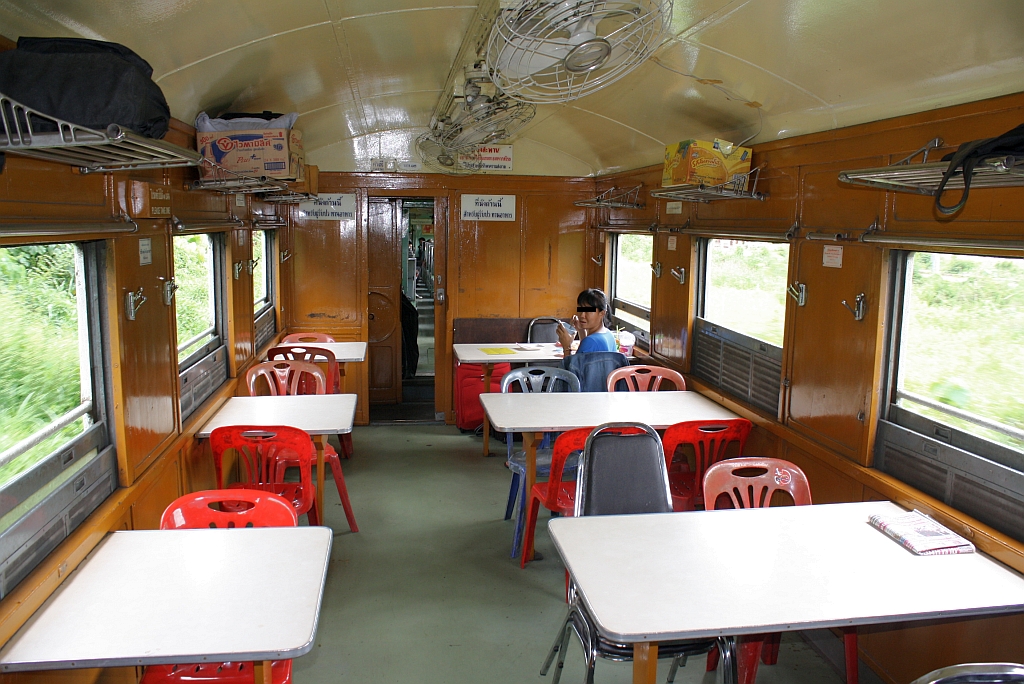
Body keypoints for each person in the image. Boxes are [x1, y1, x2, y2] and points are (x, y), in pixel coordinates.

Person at [556, 288, 617, 355]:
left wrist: (567, 347)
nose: (582, 315)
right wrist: (581, 330)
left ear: (602, 313)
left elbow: (571, 365)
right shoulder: (608, 334)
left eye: (588, 311)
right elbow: (585, 355)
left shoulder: (591, 341)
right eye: (580, 309)